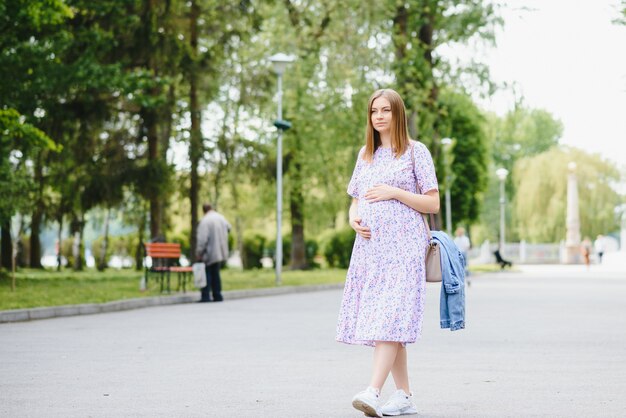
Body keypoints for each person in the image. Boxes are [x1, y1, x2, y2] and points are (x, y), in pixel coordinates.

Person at [336, 88, 440, 417]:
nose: (379, 116)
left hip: (406, 248)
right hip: (372, 250)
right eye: (373, 111)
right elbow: (356, 198)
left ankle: (373, 390)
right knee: (390, 322)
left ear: (398, 114)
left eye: (386, 110)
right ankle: (405, 395)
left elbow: (432, 202)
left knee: (390, 317)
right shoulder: (365, 155)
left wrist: (394, 192)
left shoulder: (415, 152)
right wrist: (354, 218)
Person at [195, 203, 231, 302]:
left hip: (209, 251)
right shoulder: (221, 218)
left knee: (207, 273)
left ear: (204, 210)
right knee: (216, 273)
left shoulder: (205, 221)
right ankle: (217, 295)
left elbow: (202, 239)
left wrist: (199, 252)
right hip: (220, 249)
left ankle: (205, 296)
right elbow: (229, 228)